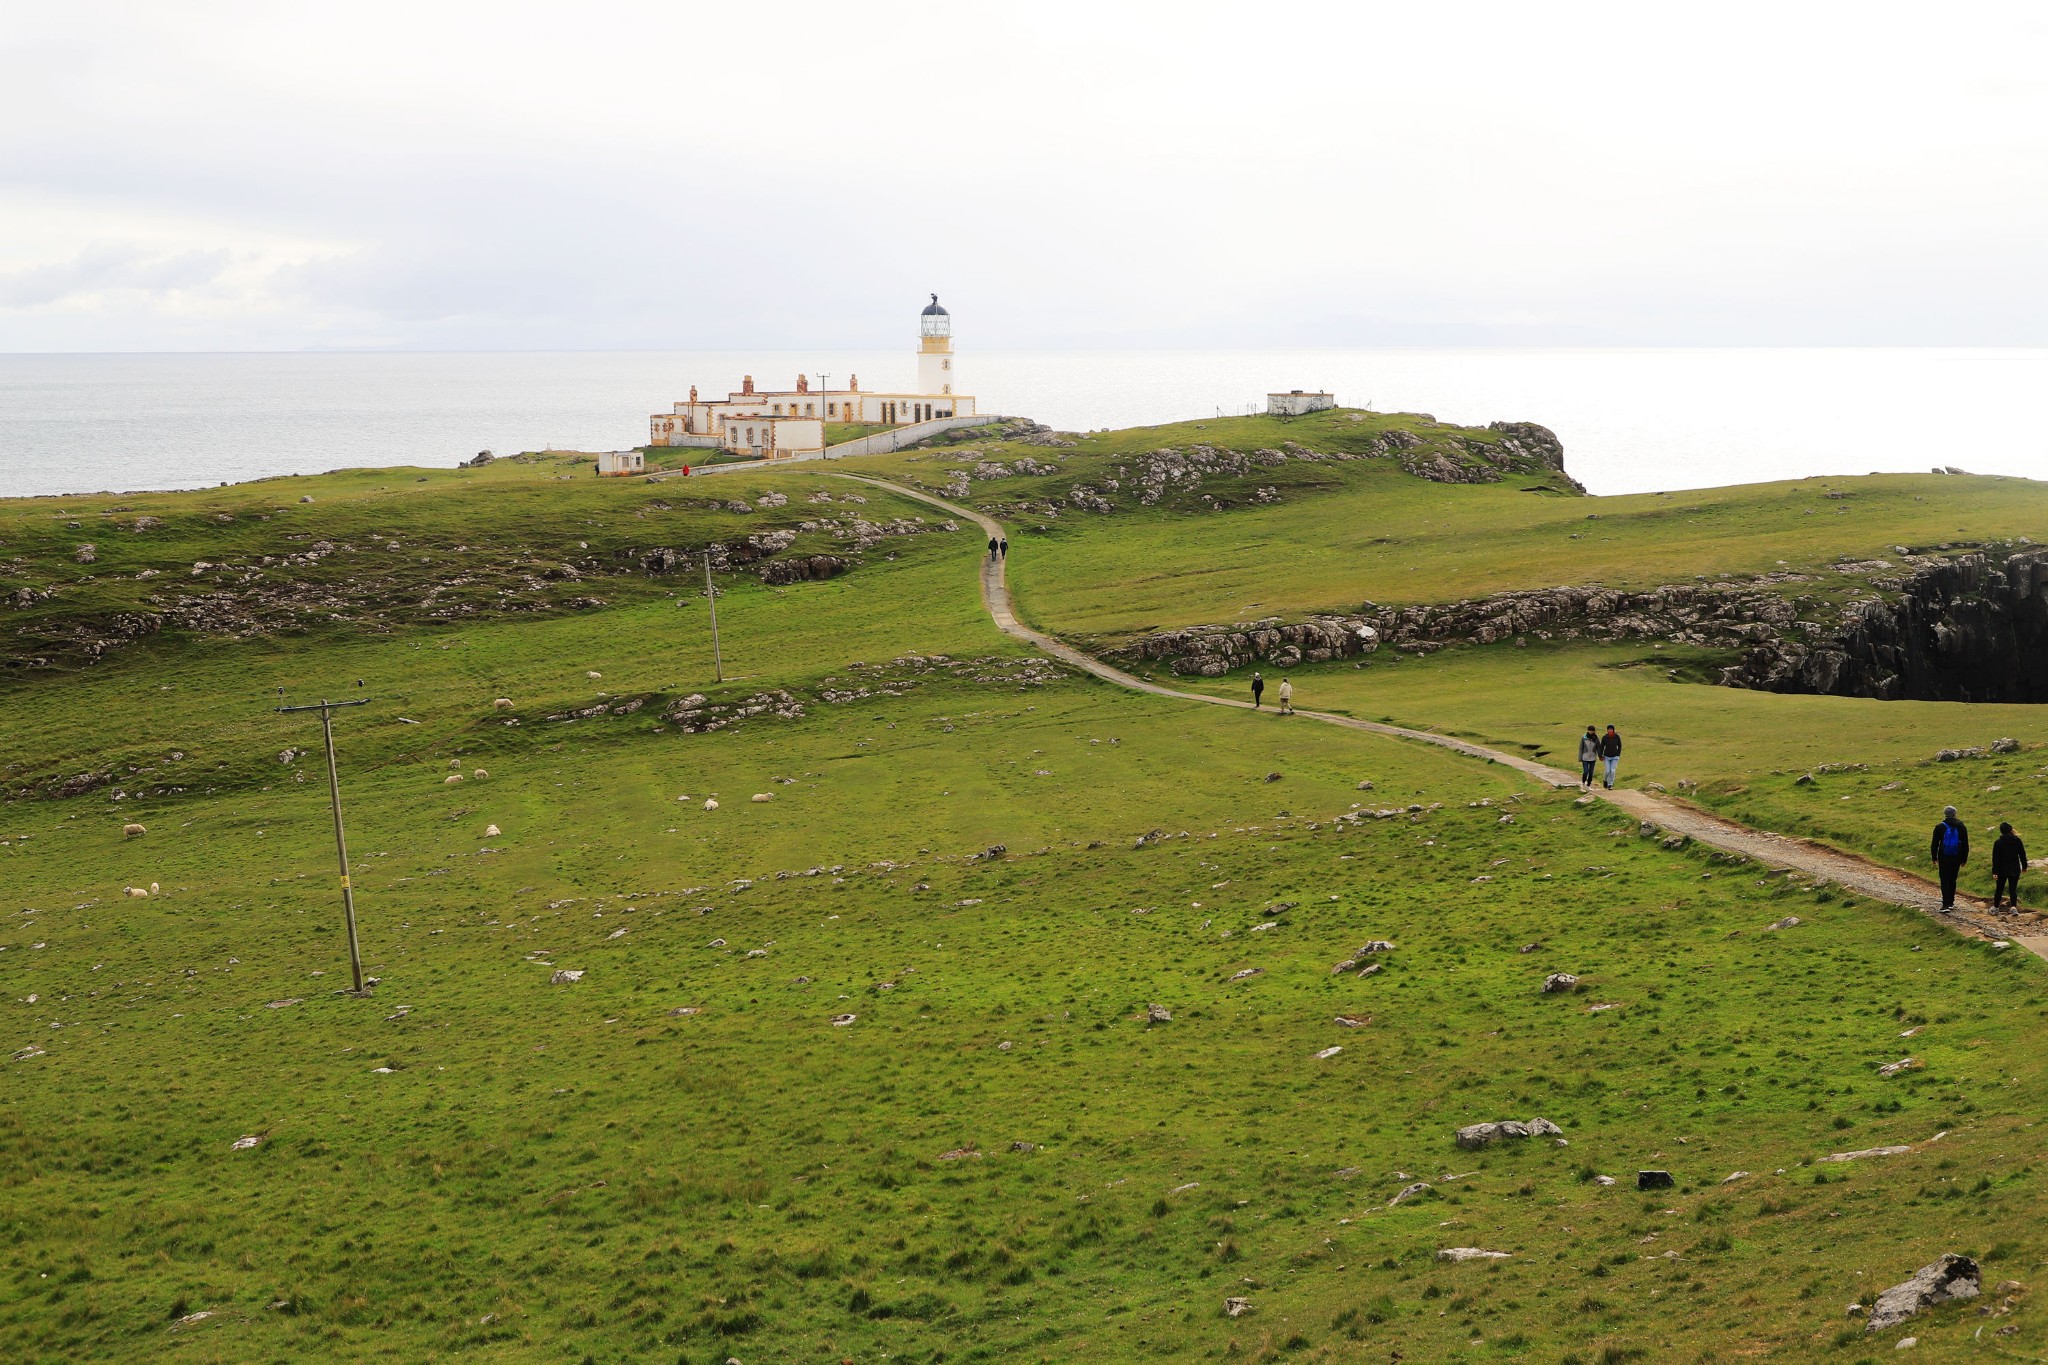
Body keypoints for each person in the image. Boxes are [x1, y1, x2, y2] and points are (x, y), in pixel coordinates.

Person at [1930, 805, 1970, 912]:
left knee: (1944, 879)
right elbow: (1965, 843)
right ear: (1955, 814)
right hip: (1957, 856)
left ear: (1945, 814)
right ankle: (1951, 902)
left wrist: (1934, 857)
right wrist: (1964, 859)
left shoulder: (1939, 827)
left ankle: (1945, 904)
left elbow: (1935, 844)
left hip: (1943, 856)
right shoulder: (1961, 825)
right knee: (1953, 879)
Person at [1992, 821, 2027, 912]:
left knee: (1999, 888)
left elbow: (1995, 858)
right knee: (2013, 889)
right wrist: (2024, 866)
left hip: (2001, 869)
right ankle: (2014, 907)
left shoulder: (1998, 843)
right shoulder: (2017, 840)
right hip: (2014, 868)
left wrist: (1994, 871)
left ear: (2001, 832)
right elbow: (2022, 854)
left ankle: (1995, 907)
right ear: (2011, 830)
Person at [1598, 725, 1623, 789]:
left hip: (1615, 757)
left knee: (1612, 771)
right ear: (1607, 730)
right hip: (1606, 757)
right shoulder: (1604, 737)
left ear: (1613, 730)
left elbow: (1620, 746)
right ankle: (1605, 780)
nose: (1610, 730)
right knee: (1608, 771)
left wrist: (1618, 754)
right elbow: (1601, 747)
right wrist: (1600, 755)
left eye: (1611, 729)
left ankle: (1610, 784)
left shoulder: (1617, 737)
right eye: (1609, 729)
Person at [1577, 724, 1600, 790]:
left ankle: (1589, 784)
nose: (1591, 732)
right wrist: (1580, 757)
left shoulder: (1596, 738)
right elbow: (1581, 748)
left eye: (1592, 730)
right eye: (1590, 730)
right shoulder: (1584, 738)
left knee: (1591, 773)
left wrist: (1600, 756)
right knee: (1586, 771)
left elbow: (1598, 748)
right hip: (1585, 758)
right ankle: (1583, 783)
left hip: (1593, 758)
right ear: (1588, 731)